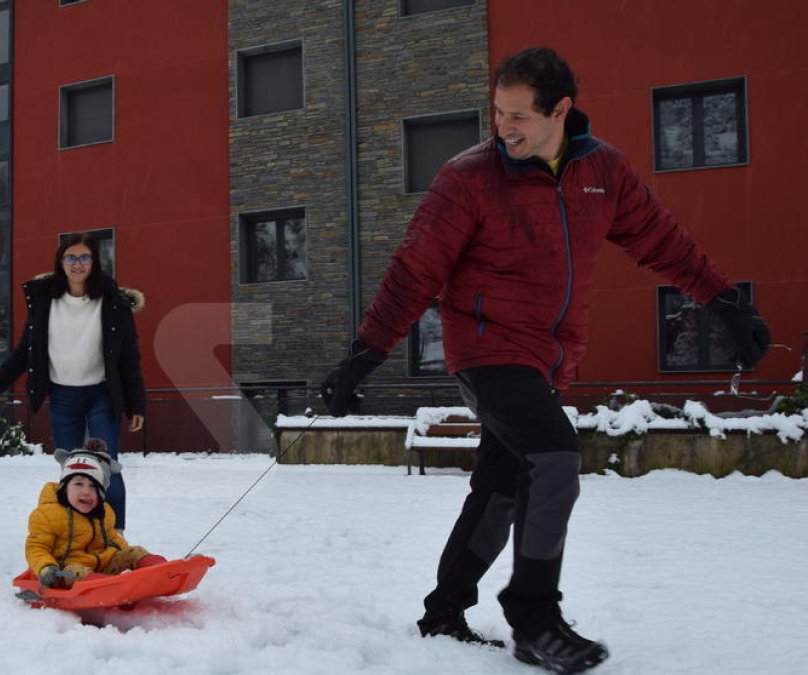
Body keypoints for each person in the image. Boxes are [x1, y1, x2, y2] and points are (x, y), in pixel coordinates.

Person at [321, 47, 770, 674]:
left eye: (518, 116)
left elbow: (664, 242)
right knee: (553, 453)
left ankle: (444, 610)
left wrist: (723, 302)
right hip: (486, 350)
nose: (503, 128)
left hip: (547, 359)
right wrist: (363, 355)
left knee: (502, 486)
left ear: (561, 111)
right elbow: (414, 272)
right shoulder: (469, 178)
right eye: (498, 113)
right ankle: (534, 616)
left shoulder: (603, 172)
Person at [0, 232, 146, 531]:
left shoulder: (113, 302)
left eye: (85, 257)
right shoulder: (45, 300)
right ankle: (76, 533)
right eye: (71, 257)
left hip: (102, 394)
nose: (77, 263)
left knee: (106, 463)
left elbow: (129, 356)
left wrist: (136, 403)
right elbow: (25, 351)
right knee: (72, 468)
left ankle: (115, 534)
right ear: (61, 261)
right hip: (62, 397)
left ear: (94, 262)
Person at [25, 438, 165, 588]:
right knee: (76, 570)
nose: (86, 491)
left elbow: (113, 539)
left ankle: (161, 572)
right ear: (65, 488)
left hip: (102, 569)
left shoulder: (104, 512)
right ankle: (102, 587)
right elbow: (37, 548)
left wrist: (128, 553)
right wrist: (46, 567)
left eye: (93, 486)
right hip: (65, 574)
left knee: (136, 551)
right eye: (78, 484)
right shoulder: (47, 515)